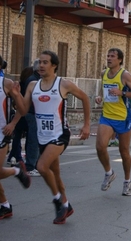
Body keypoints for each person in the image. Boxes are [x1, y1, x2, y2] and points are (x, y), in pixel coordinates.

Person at [21, 50, 91, 224]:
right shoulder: (32, 86)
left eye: (45, 62)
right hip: (42, 136)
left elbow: (84, 98)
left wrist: (87, 124)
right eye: (39, 62)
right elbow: (23, 110)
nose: (41, 65)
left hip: (60, 134)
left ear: (54, 66)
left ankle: (57, 201)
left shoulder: (63, 84)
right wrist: (15, 94)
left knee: (42, 166)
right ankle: (67, 205)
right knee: (56, 175)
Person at [95, 48, 131, 198]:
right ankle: (109, 173)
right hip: (107, 116)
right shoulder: (104, 73)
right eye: (108, 56)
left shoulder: (125, 75)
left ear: (120, 60)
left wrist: (122, 93)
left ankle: (127, 181)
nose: (109, 58)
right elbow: (104, 91)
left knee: (124, 152)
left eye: (112, 56)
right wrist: (99, 97)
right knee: (100, 146)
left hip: (123, 117)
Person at [0, 51, 31, 220]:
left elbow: (23, 110)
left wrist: (13, 123)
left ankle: (16, 170)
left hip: (1, 133)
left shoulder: (5, 83)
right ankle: (5, 206)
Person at [6, 66, 33, 167]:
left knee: (17, 137)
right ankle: (18, 158)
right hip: (26, 115)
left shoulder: (18, 85)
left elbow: (19, 104)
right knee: (27, 138)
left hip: (20, 115)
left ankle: (15, 156)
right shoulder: (29, 85)